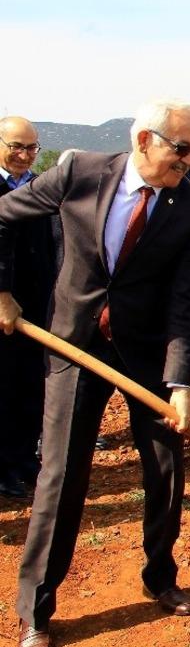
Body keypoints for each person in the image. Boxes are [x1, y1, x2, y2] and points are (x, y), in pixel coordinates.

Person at [0, 98, 190, 647]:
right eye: (180, 148)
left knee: (166, 464)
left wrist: (180, 382)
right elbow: (2, 214)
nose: (189, 161)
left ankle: (159, 576)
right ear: (144, 139)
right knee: (62, 471)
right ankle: (36, 610)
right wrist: (1, 290)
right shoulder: (79, 172)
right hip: (73, 342)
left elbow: (186, 299)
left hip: (145, 352)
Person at [0, 117, 55, 500]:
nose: (23, 155)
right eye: (16, 146)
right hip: (2, 308)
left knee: (32, 384)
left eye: (31, 148)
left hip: (37, 306)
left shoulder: (39, 190)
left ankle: (24, 459)